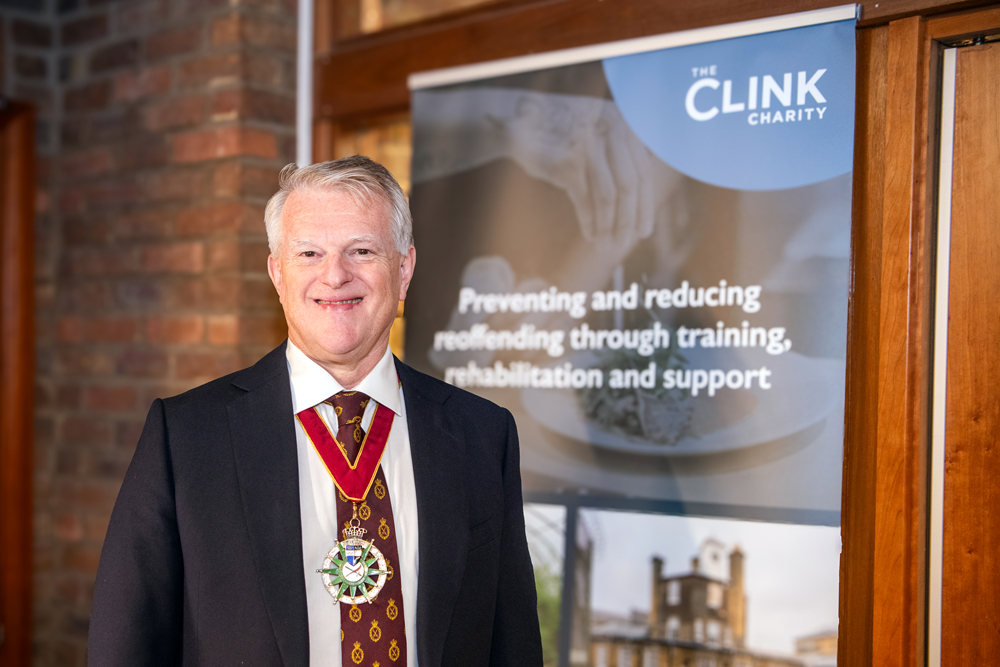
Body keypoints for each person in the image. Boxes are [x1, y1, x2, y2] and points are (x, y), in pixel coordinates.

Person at [88, 156, 543, 667]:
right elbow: (125, 644)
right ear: (277, 274)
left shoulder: (483, 435)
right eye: (309, 253)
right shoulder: (187, 439)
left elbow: (514, 642)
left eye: (362, 250)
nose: (335, 275)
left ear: (404, 269)